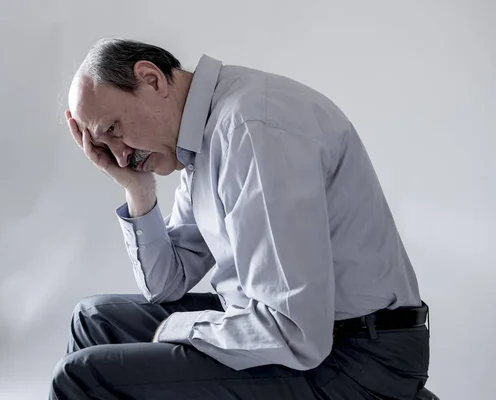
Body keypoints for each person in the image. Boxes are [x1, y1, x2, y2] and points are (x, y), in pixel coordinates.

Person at [49, 38, 432, 399]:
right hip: (304, 333)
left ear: (150, 79)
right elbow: (167, 282)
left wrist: (177, 329)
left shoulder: (250, 129)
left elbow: (294, 332)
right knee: (93, 319)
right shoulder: (200, 136)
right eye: (103, 146)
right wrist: (137, 188)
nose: (118, 156)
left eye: (113, 130)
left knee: (83, 377)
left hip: (358, 359)